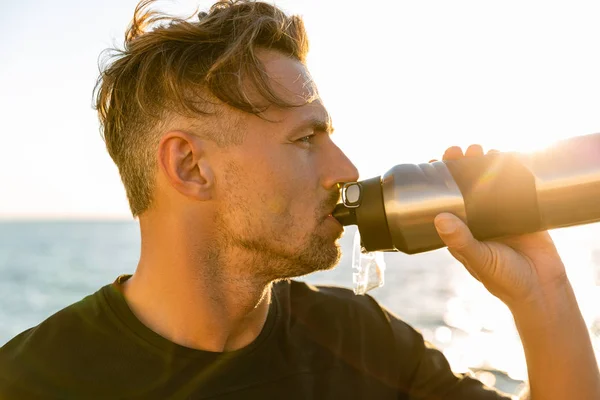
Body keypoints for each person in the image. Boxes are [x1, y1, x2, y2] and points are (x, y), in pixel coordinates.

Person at [1, 0, 599, 398]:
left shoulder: (363, 343)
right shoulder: (34, 381)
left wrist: (541, 291)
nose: (346, 169)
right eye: (305, 139)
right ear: (190, 165)